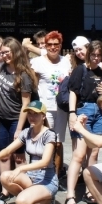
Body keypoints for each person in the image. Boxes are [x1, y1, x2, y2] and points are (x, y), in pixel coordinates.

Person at [0, 100, 58, 204]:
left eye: (35, 114)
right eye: (29, 113)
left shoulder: (49, 134)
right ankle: (28, 198)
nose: (31, 117)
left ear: (43, 116)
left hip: (47, 180)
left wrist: (21, 168)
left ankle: (47, 201)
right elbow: (8, 150)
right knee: (5, 177)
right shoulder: (26, 132)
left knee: (21, 203)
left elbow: (45, 162)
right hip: (31, 178)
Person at [65, 40, 102, 204]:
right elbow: (73, 92)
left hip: (99, 112)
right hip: (83, 111)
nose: (96, 58)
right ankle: (70, 195)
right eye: (93, 55)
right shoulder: (80, 70)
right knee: (79, 154)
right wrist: (72, 113)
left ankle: (91, 190)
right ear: (89, 53)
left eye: (99, 55)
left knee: (94, 153)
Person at [0, 37, 37, 200]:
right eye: (2, 52)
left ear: (16, 52)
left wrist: (19, 129)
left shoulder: (24, 74)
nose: (4, 56)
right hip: (1, 119)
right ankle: (5, 190)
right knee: (4, 155)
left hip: (16, 119)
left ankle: (24, 188)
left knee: (18, 156)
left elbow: (26, 103)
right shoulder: (2, 68)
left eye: (7, 52)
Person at [30, 31, 70, 182]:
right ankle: (41, 173)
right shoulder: (38, 62)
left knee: (58, 142)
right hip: (45, 108)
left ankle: (56, 176)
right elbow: (34, 85)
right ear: (45, 46)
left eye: (56, 44)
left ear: (60, 45)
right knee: (45, 140)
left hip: (61, 107)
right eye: (50, 44)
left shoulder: (66, 61)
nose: (53, 47)